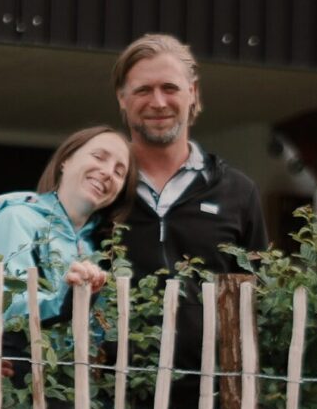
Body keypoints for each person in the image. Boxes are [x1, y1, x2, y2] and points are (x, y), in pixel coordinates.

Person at [112, 33, 268, 389]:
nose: (158, 101)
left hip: (209, 402)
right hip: (111, 401)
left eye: (170, 87)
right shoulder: (102, 187)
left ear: (193, 93)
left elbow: (259, 296)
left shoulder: (237, 192)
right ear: (122, 99)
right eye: (142, 90)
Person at [0, 126, 137, 383]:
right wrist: (65, 299)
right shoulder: (17, 217)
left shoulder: (100, 248)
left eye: (119, 171)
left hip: (75, 388)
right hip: (15, 378)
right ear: (66, 160)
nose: (107, 172)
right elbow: (7, 303)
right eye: (99, 157)